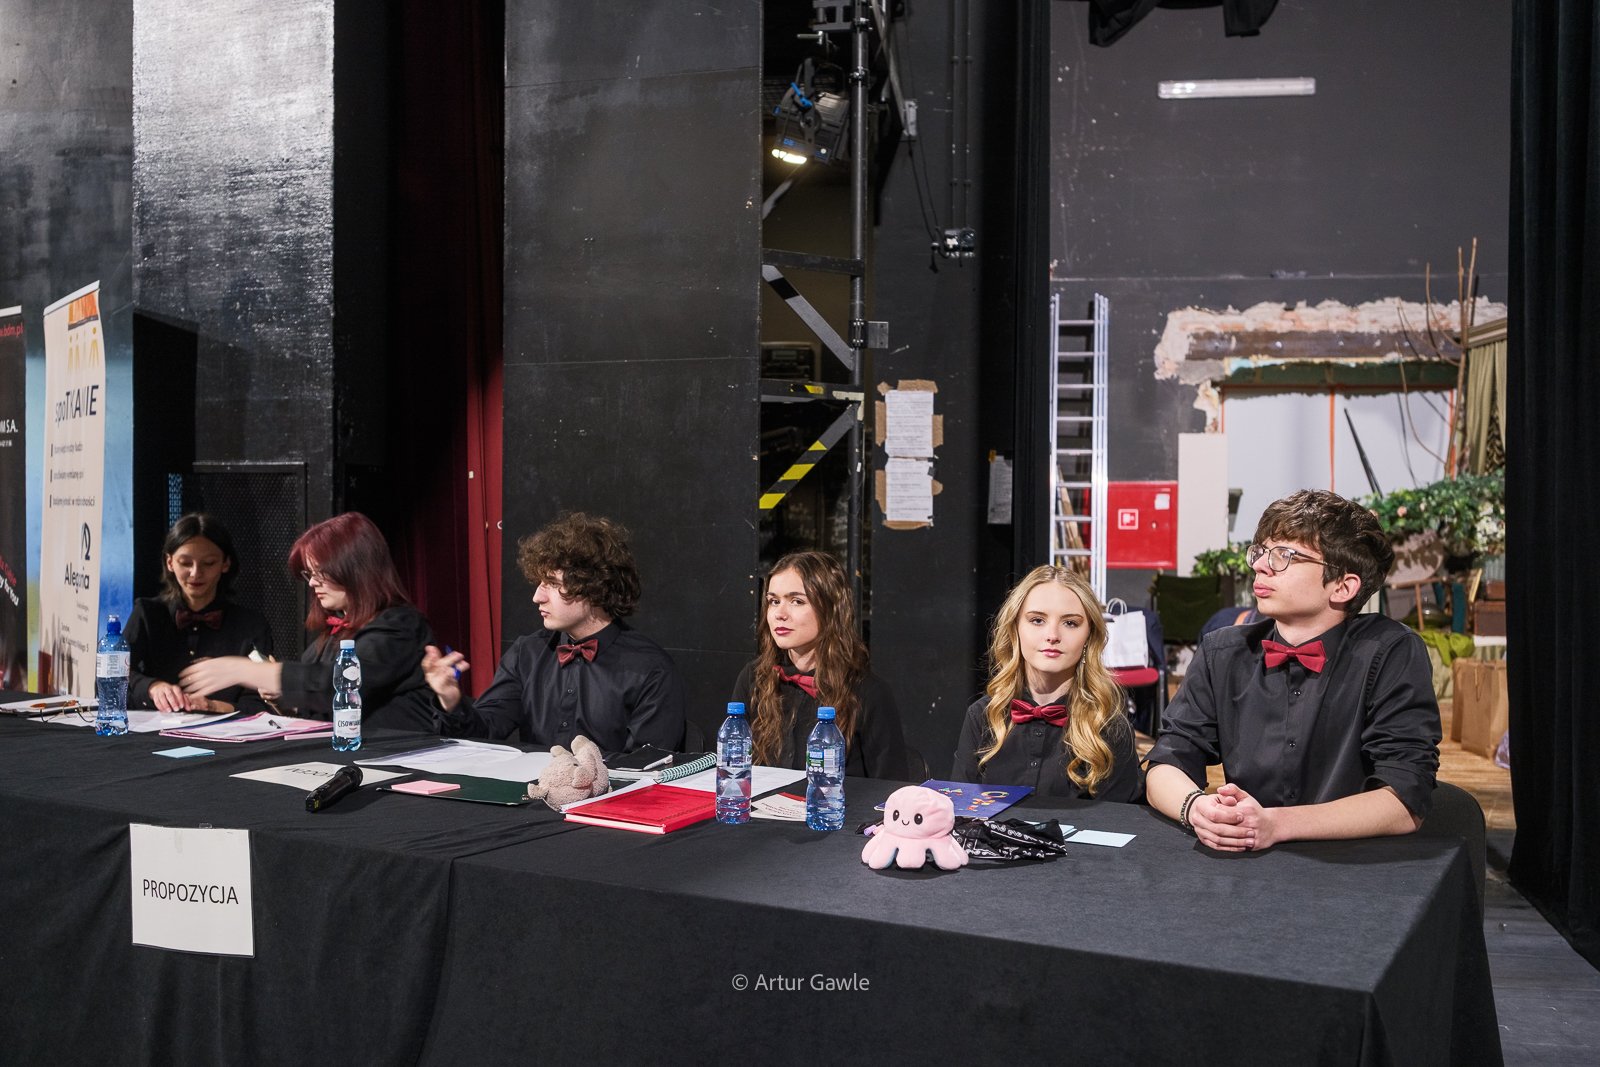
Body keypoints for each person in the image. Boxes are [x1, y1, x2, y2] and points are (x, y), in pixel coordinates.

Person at [1145, 489, 1442, 851]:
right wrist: (1196, 808)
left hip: (1353, 863)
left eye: (1285, 555)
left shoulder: (1390, 652)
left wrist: (1276, 824)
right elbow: (1166, 761)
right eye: (1261, 551)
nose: (1260, 565)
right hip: (1246, 862)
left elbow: (1406, 801)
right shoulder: (1222, 652)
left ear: (1343, 586)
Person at [422, 512, 685, 753]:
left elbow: (648, 765)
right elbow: (486, 731)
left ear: (593, 587)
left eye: (552, 583)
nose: (537, 596)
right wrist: (451, 702)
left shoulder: (650, 668)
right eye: (540, 582)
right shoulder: (526, 653)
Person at [180, 512, 438, 730]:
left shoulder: (400, 626)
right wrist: (283, 700)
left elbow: (339, 685)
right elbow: (320, 707)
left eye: (321, 573)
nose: (313, 583)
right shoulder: (333, 634)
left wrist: (249, 672)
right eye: (309, 574)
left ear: (356, 570)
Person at [951, 565, 1141, 801]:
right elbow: (960, 810)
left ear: (1089, 636)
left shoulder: (1110, 728)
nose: (1052, 635)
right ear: (1015, 628)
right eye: (1037, 620)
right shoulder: (982, 716)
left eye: (1070, 623)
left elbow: (1120, 820)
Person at [730, 550, 911, 779]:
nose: (779, 614)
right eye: (774, 601)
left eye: (797, 601)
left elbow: (892, 788)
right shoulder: (754, 677)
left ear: (830, 609)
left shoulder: (867, 692)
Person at [124, 513, 273, 714]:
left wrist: (214, 706)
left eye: (208, 563)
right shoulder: (147, 613)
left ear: (225, 563)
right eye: (185, 563)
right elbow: (111, 678)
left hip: (228, 732)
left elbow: (262, 702)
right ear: (170, 562)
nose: (195, 573)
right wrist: (152, 688)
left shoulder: (251, 624)